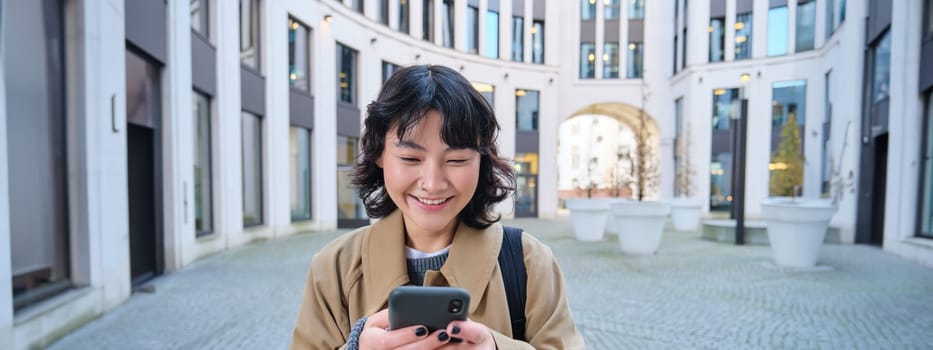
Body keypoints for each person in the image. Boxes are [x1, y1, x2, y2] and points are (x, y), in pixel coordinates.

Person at [290, 65, 585, 349]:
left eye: (456, 160)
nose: (432, 183)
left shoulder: (528, 262)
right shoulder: (335, 267)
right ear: (379, 154)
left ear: (481, 161)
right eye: (410, 159)